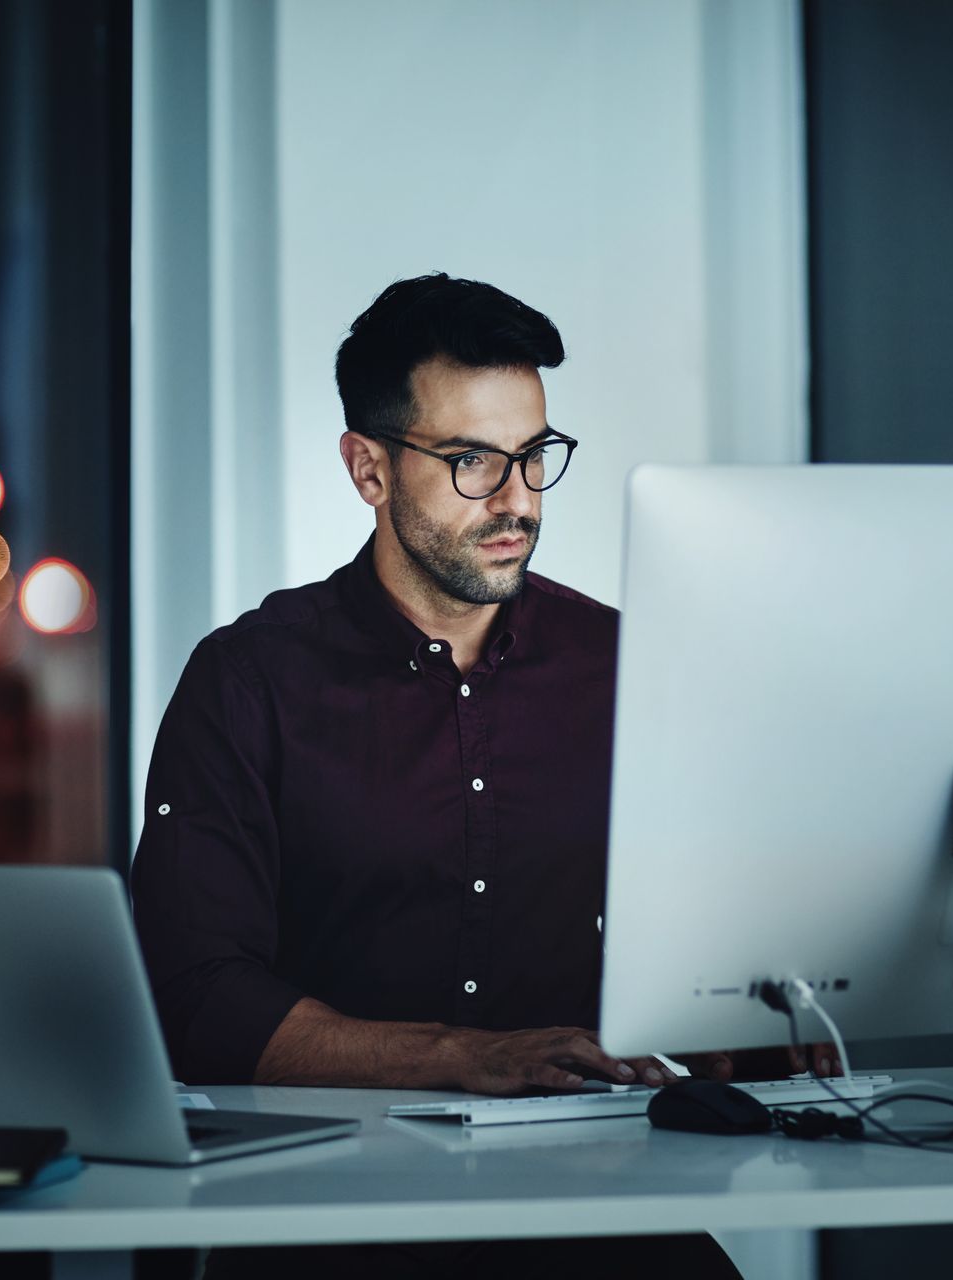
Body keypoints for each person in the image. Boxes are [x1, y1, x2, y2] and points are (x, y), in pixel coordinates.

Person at [131, 273, 819, 1278]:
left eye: (536, 456)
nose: (518, 501)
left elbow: (715, 944)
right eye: (471, 462)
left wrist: (745, 1030)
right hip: (329, 1221)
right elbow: (196, 997)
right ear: (368, 468)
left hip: (599, 1203)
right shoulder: (249, 679)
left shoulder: (630, 665)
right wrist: (469, 1056)